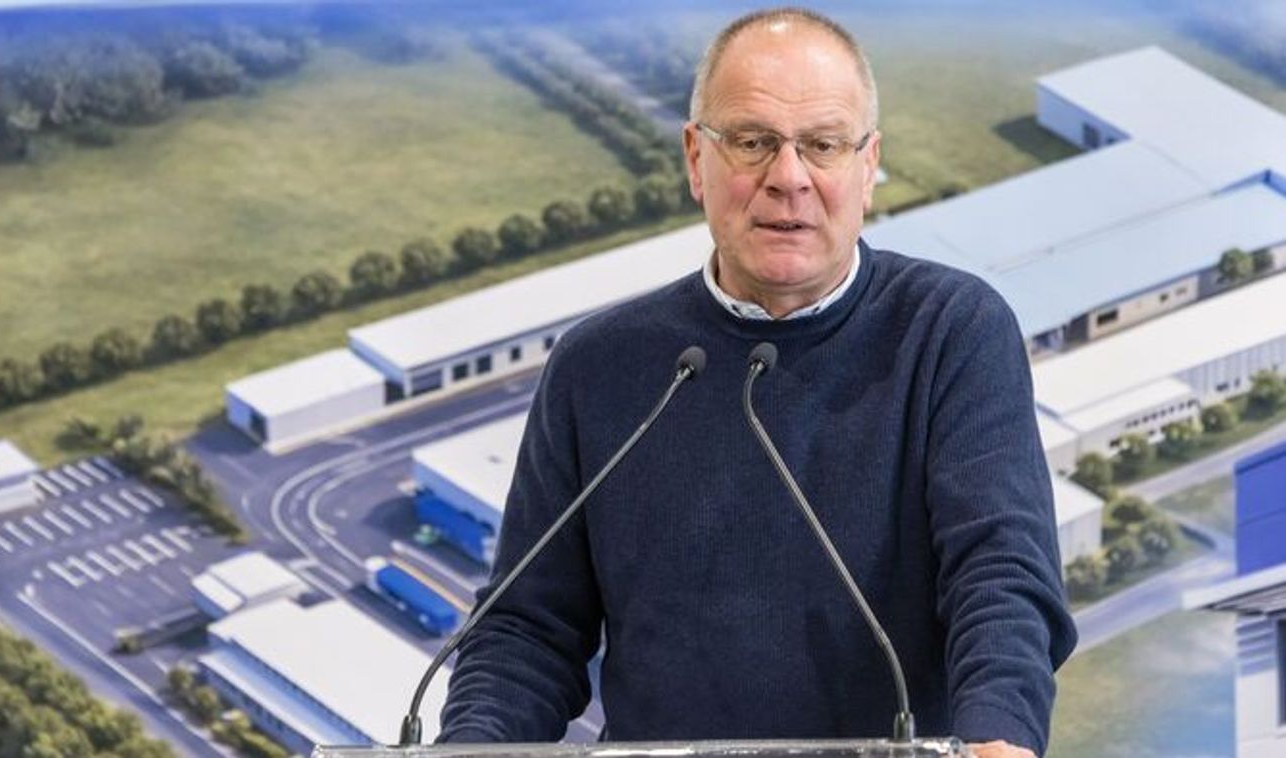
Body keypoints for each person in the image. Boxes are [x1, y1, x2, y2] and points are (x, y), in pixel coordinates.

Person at [439, 8, 1076, 758]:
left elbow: (1000, 573)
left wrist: (998, 735)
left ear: (868, 165)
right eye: (752, 142)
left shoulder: (951, 331)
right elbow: (525, 631)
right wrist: (468, 747)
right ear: (694, 158)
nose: (788, 178)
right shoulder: (596, 365)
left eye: (823, 145)